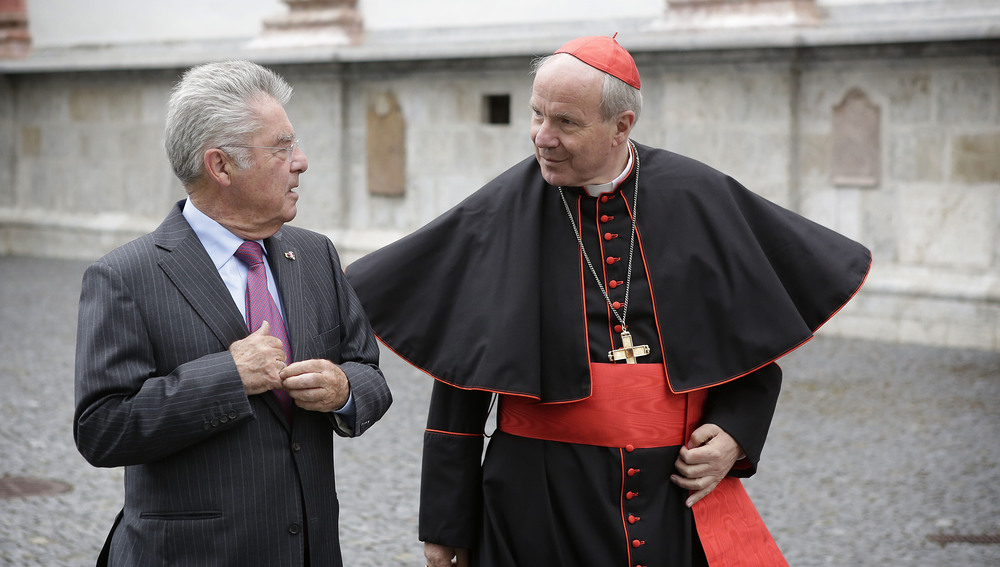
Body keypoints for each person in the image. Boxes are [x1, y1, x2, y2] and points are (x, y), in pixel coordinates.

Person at [346, 36, 871, 567]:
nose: (542, 138)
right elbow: (460, 380)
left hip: (671, 494)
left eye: (566, 123)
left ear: (622, 126)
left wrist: (737, 431)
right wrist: (445, 524)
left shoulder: (698, 197)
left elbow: (749, 338)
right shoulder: (500, 212)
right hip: (537, 502)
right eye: (536, 115)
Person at [73, 60, 392, 567]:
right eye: (282, 147)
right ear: (220, 166)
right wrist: (227, 377)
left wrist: (343, 391)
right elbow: (102, 428)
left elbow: (370, 375)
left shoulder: (315, 255)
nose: (302, 161)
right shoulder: (125, 276)